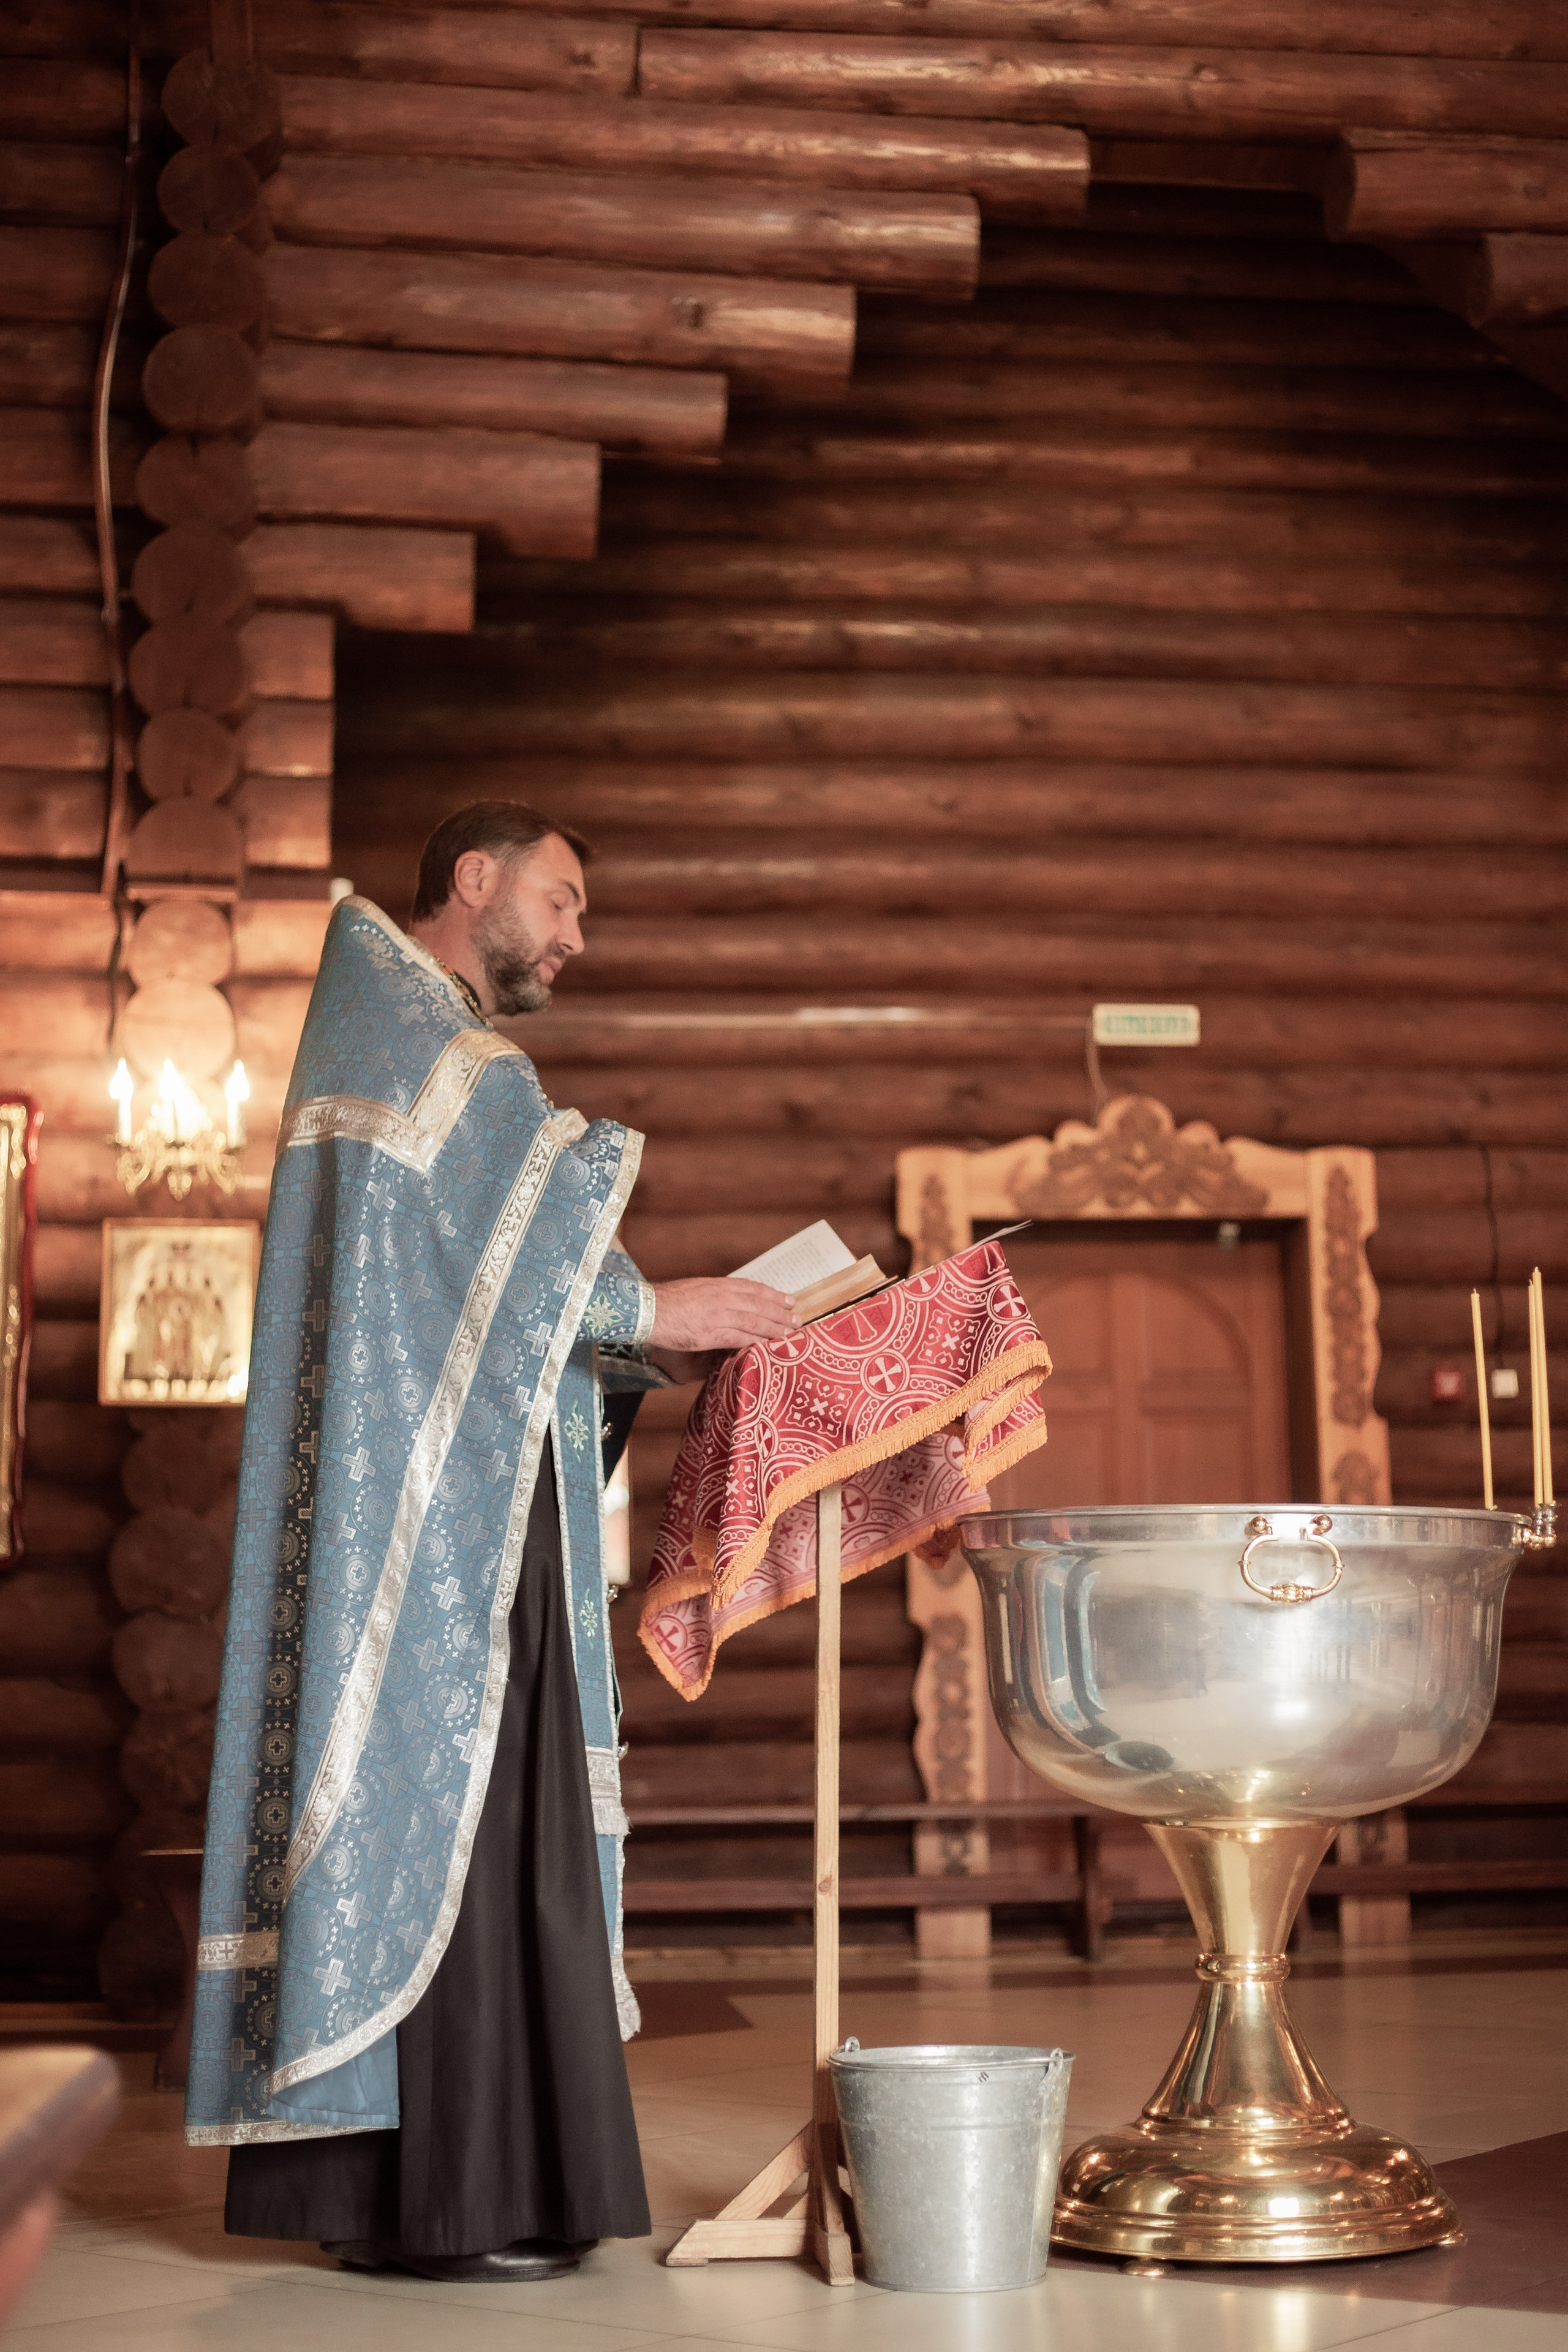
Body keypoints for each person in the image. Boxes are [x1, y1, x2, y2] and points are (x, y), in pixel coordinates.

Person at [186, 802, 794, 2282]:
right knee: (475, 1809)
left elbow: (480, 1299)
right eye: (562, 899)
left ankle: (456, 2190)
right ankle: (451, 2199)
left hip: (451, 1503)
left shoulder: (400, 1038)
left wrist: (637, 1341)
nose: (576, 936)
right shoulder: (432, 1054)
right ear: (475, 881)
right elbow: (496, 1274)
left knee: (495, 1815)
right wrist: (655, 1307)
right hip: (433, 1541)